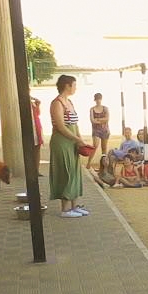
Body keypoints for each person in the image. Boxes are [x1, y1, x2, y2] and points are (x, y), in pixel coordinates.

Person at [49, 75, 87, 218]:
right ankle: (65, 209)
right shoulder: (57, 103)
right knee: (66, 172)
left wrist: (80, 140)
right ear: (67, 86)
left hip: (72, 141)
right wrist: (77, 138)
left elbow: (74, 125)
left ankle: (74, 205)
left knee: (75, 171)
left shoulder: (69, 102)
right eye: (74, 85)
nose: (75, 88)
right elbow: (60, 126)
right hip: (62, 142)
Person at [88, 93, 110, 169]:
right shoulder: (92, 109)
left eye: (99, 99)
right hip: (96, 130)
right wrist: (102, 120)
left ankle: (104, 166)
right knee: (95, 146)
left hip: (105, 130)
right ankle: (89, 162)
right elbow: (92, 120)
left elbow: (107, 118)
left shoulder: (105, 108)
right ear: (95, 100)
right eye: (97, 99)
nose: (98, 100)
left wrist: (98, 119)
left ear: (101, 99)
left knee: (104, 149)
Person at [30, 93, 43, 176]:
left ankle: (36, 170)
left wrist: (38, 105)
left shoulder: (32, 102)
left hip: (36, 126)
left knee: (37, 148)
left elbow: (37, 113)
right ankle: (31, 170)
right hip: (29, 127)